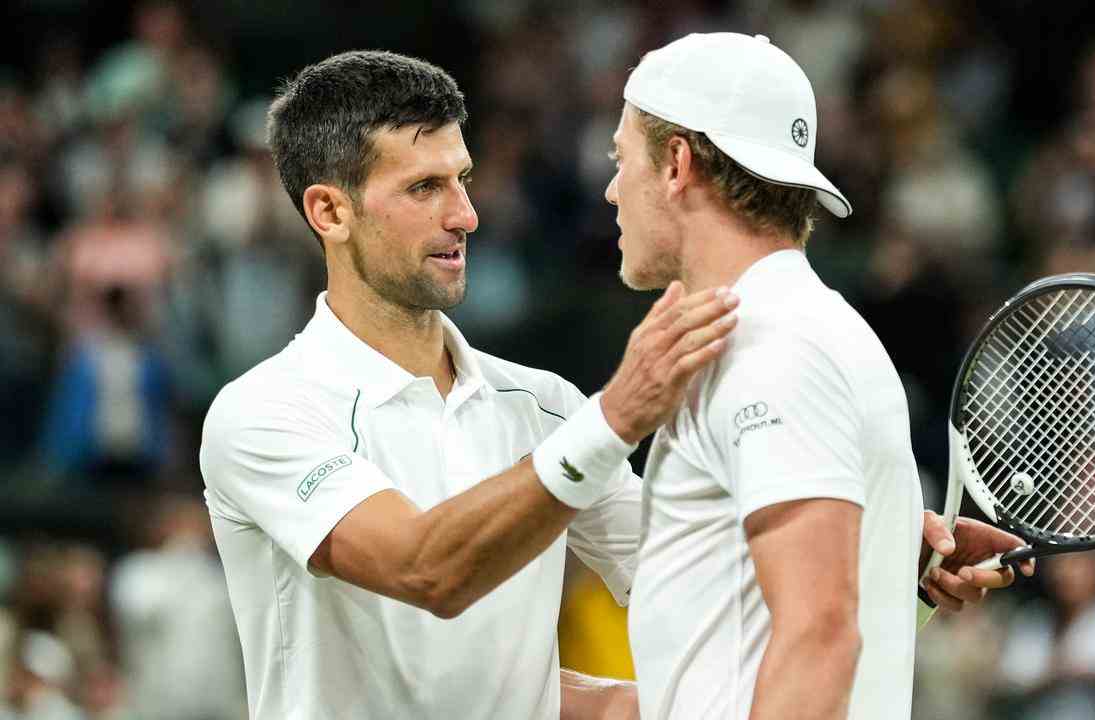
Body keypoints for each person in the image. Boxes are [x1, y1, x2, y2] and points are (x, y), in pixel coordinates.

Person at [199, 49, 1023, 720]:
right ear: (328, 213)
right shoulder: (265, 415)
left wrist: (884, 564)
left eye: (463, 179)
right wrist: (614, 417)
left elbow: (719, 606)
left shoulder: (546, 409)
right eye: (424, 189)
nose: (465, 216)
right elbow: (427, 570)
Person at [603, 33, 1031, 719]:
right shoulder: (798, 333)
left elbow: (820, 641)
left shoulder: (776, 352)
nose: (611, 189)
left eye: (621, 160)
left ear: (677, 162)